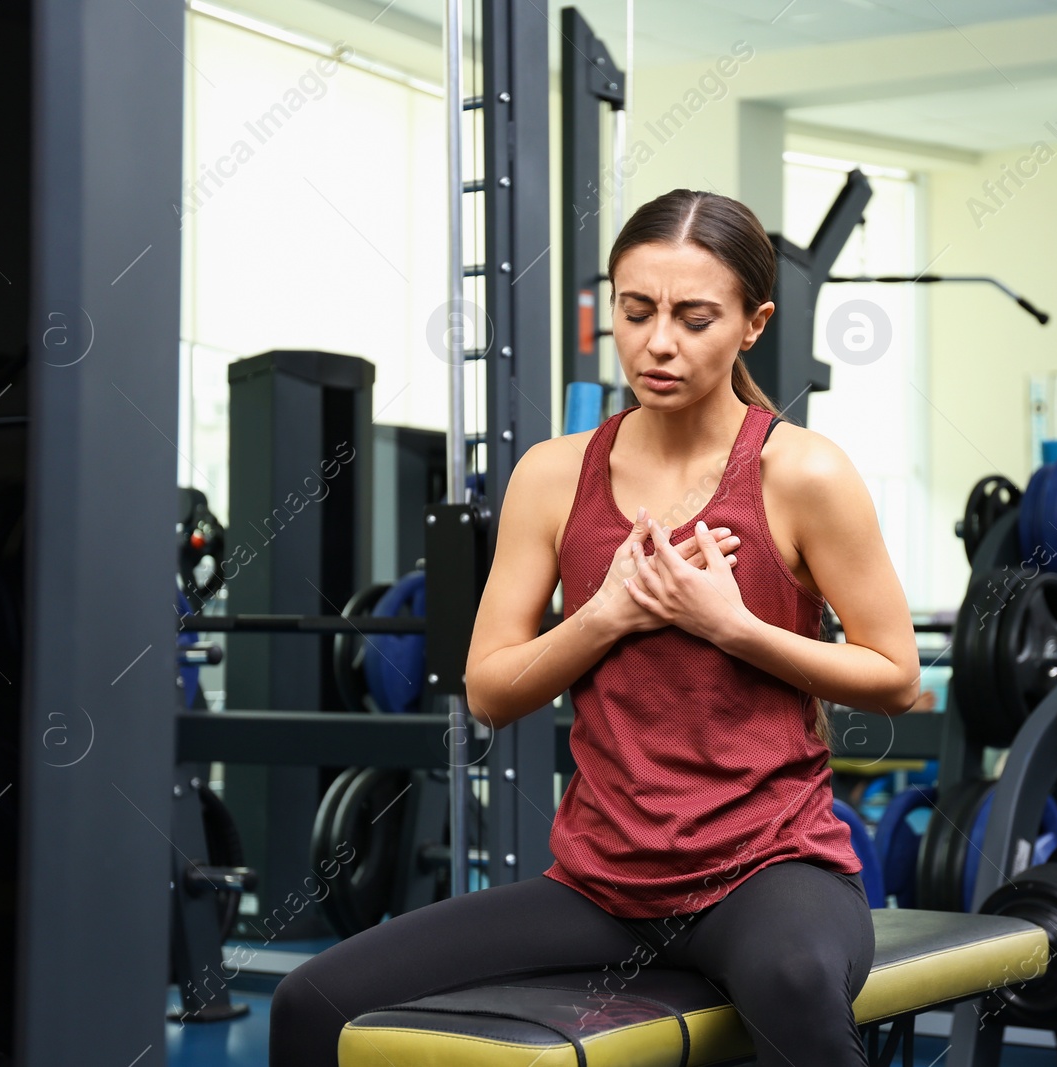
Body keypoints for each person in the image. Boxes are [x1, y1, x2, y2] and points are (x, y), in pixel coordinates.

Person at [269, 189, 919, 1067]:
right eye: (636, 310)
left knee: (797, 983)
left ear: (754, 323)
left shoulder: (802, 471)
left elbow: (896, 675)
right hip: (602, 886)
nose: (659, 342)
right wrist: (608, 614)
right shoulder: (551, 475)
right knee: (311, 1001)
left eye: (695, 317)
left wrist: (732, 626)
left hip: (771, 873)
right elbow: (491, 688)